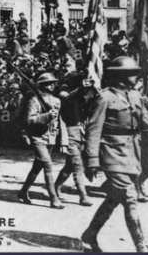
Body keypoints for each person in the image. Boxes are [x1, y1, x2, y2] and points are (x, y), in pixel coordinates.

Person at [81, 57, 148, 252]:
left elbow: (147, 121)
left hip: (131, 154)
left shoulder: (135, 96)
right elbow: (93, 130)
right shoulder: (104, 98)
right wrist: (92, 160)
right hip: (111, 153)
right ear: (120, 75)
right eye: (132, 73)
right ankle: (141, 245)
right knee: (130, 197)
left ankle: (89, 235)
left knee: (113, 199)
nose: (137, 76)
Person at [17, 72, 68, 209]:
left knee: (37, 166)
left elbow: (60, 121)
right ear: (42, 86)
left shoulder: (56, 100)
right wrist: (46, 116)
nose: (52, 85)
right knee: (47, 165)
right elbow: (29, 119)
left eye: (53, 83)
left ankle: (23, 192)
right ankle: (53, 198)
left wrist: (63, 140)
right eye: (48, 83)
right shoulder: (34, 100)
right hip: (37, 137)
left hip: (51, 137)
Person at [54, 72, 95, 207]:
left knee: (69, 166)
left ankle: (55, 187)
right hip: (69, 134)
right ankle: (83, 196)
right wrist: (80, 89)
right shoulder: (63, 94)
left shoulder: (80, 97)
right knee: (77, 166)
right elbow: (68, 98)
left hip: (81, 134)